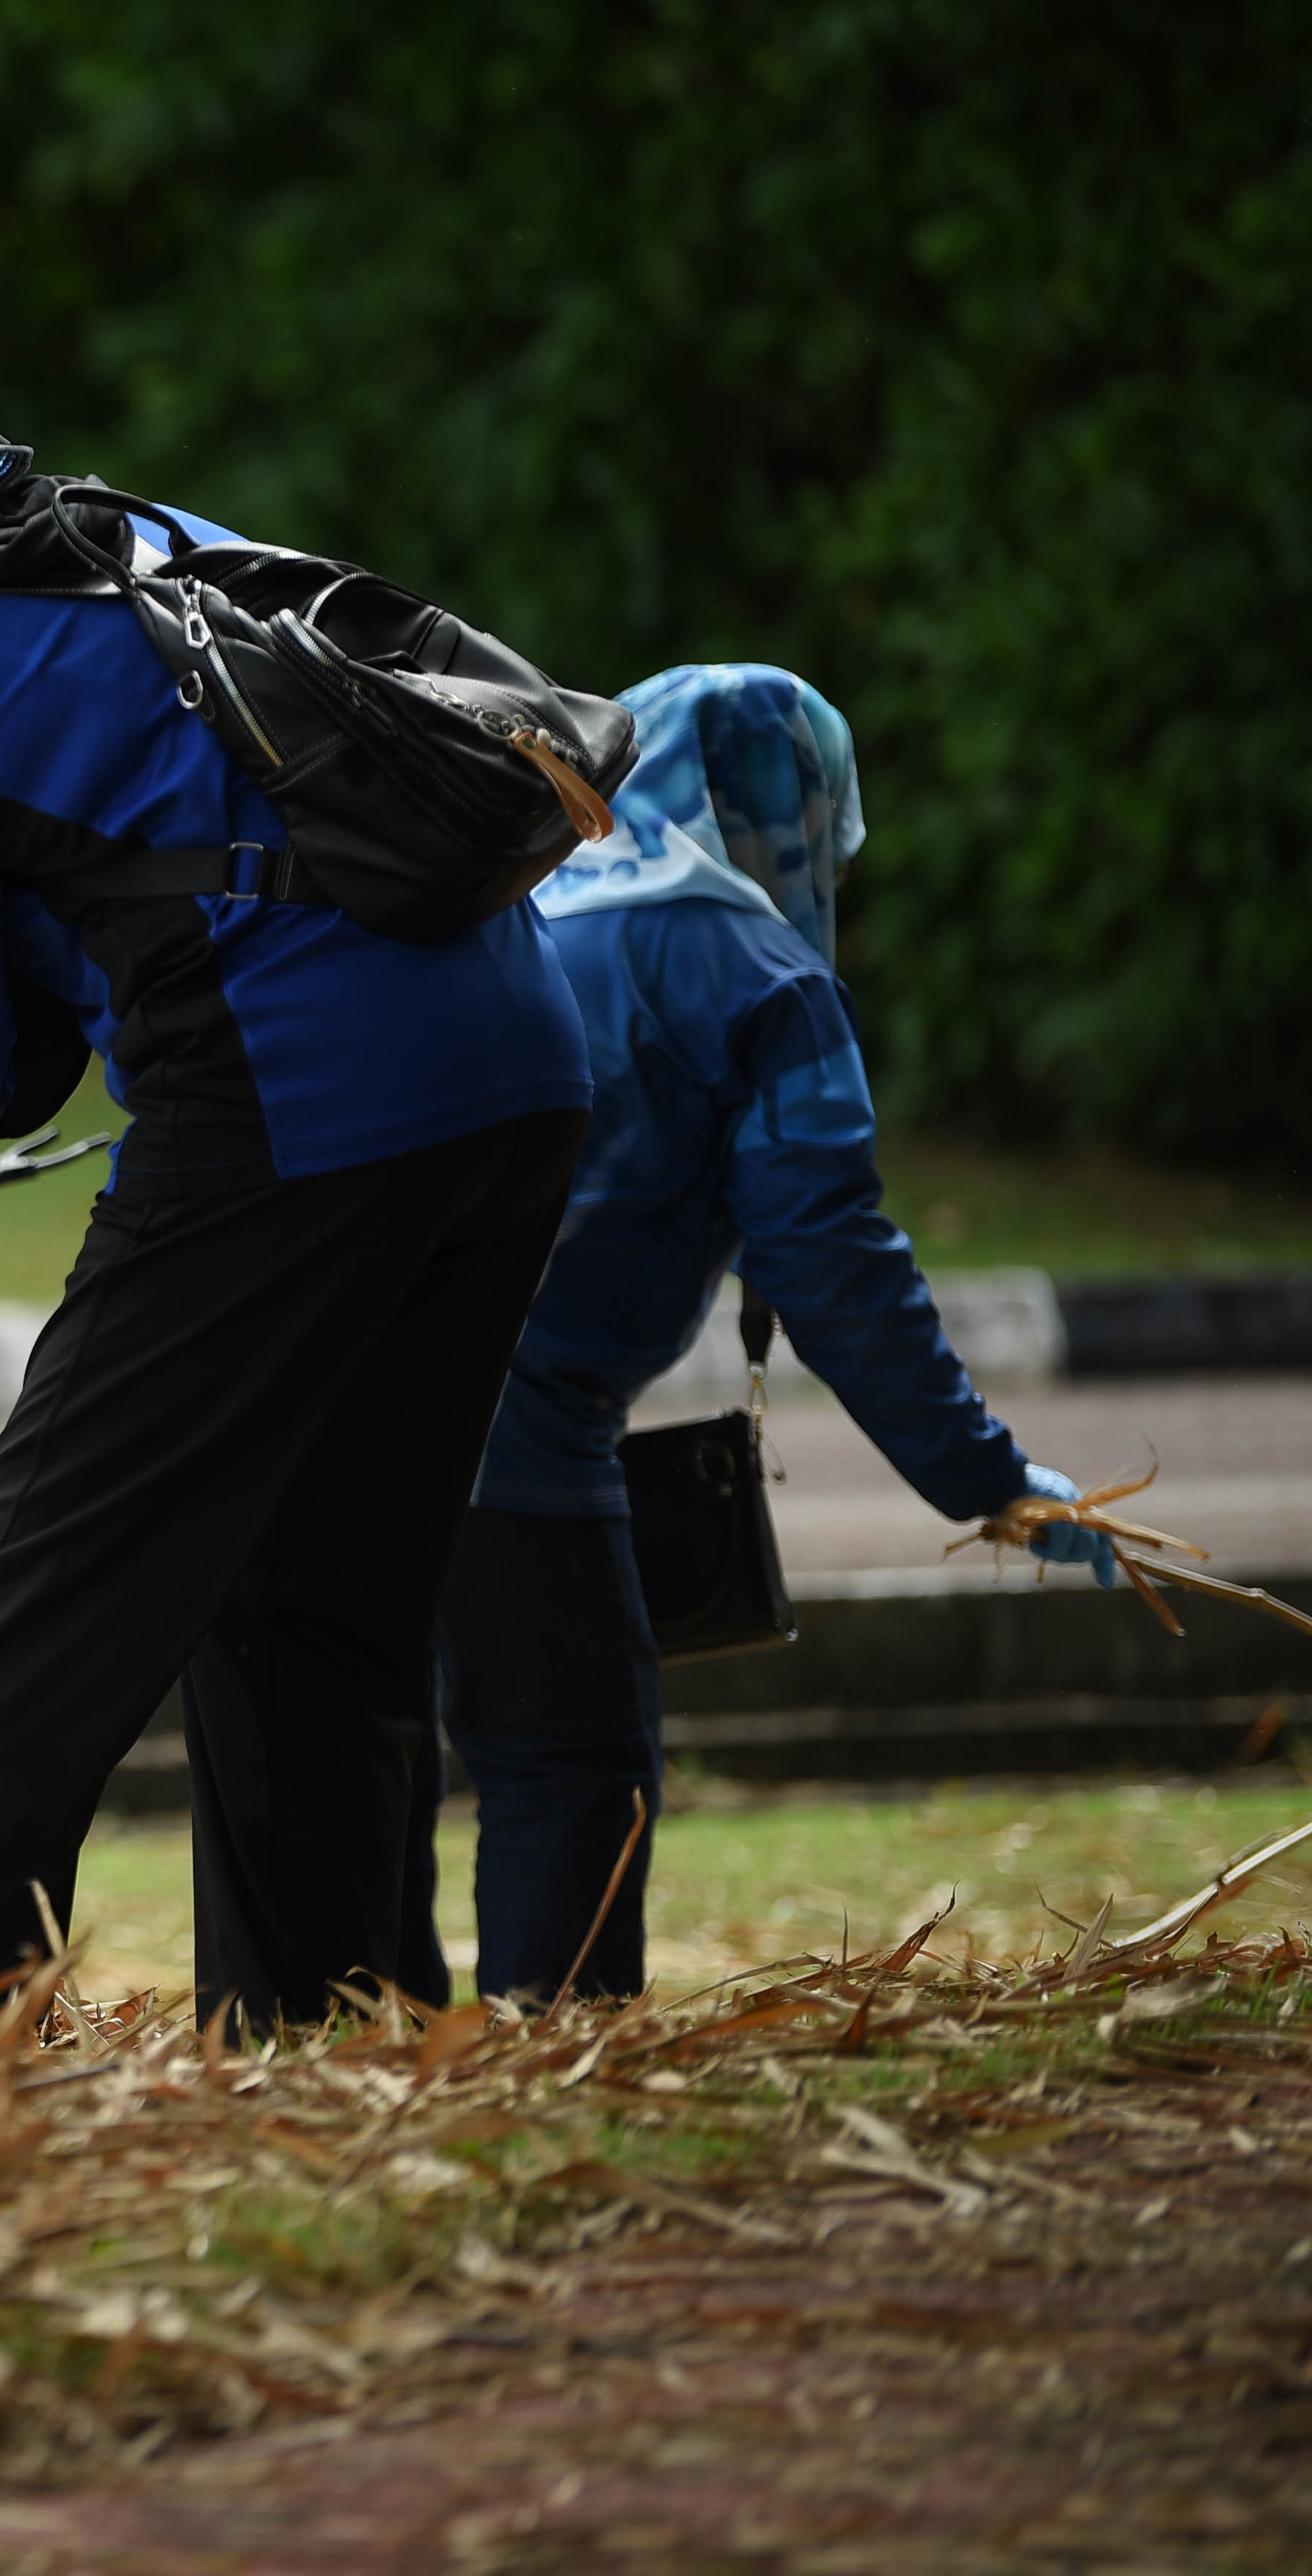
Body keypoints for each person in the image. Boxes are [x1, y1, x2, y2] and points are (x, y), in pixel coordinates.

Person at [0, 340, 592, 2034]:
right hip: (515, 1080)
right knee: (315, 1592)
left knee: (41, 1576)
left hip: (297, 1106)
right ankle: (324, 2036)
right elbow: (78, 947)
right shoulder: (123, 539)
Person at [401, 664, 1125, 2004]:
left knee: (365, 1757)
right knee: (572, 1767)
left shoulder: (513, 912)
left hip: (337, 1411)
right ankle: (551, 2072)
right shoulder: (761, 979)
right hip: (520, 1437)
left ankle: (356, 2069)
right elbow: (829, 1256)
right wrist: (985, 1474)